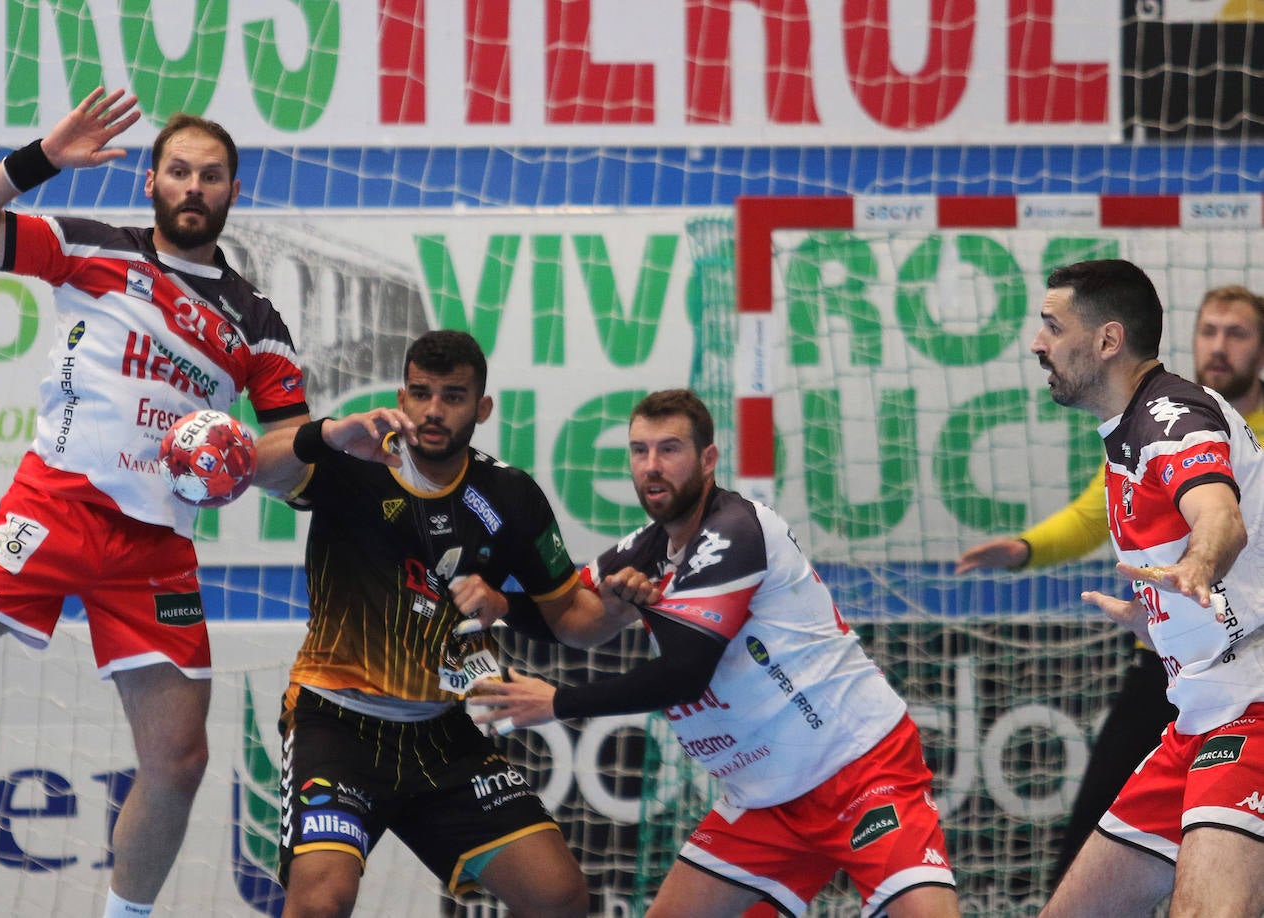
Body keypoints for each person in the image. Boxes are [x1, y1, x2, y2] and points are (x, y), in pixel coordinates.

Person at [0, 87, 312, 918]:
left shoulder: (257, 323)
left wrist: (247, 462)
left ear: (233, 191)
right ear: (151, 180)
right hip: (50, 511)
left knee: (180, 762)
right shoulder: (91, 245)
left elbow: (295, 471)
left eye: (213, 175)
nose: (194, 187)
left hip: (155, 550)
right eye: (180, 171)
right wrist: (42, 157)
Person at [467, 389, 961, 918]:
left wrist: (557, 702)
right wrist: (503, 604)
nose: (652, 467)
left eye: (669, 449)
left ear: (708, 460)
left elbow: (684, 674)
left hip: (858, 768)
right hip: (762, 801)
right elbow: (573, 613)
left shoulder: (736, 530)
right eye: (639, 451)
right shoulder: (647, 547)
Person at [254, 329, 628, 918]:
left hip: (441, 736)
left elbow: (575, 621)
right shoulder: (350, 461)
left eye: (453, 396)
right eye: (421, 393)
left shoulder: (511, 496)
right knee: (320, 902)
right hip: (336, 724)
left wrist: (623, 602)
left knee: (560, 897)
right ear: (402, 397)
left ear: (482, 408)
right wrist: (327, 433)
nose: (433, 410)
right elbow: (252, 467)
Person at [955, 284, 1264, 882]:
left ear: (1107, 340)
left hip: (1244, 688)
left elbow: (1220, 519)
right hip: (1187, 679)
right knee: (1081, 875)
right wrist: (1027, 549)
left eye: (1052, 327)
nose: (1037, 344)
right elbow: (1095, 514)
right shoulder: (1136, 427)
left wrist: (1199, 568)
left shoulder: (1174, 418)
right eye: (1209, 330)